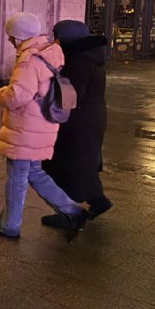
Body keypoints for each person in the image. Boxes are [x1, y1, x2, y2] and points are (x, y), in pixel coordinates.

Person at [0, 12, 86, 239]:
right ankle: (71, 210)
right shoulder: (49, 51)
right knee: (34, 173)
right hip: (42, 124)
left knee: (17, 176)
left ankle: (9, 225)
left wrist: (1, 93)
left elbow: (17, 96)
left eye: (11, 36)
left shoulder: (29, 61)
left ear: (19, 37)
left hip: (26, 129)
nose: (9, 40)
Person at [42, 20, 111, 224]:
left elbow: (73, 95)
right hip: (90, 117)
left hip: (79, 121)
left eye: (56, 36)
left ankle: (69, 214)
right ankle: (98, 201)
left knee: (70, 165)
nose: (54, 40)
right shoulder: (89, 56)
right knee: (82, 164)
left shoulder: (79, 60)